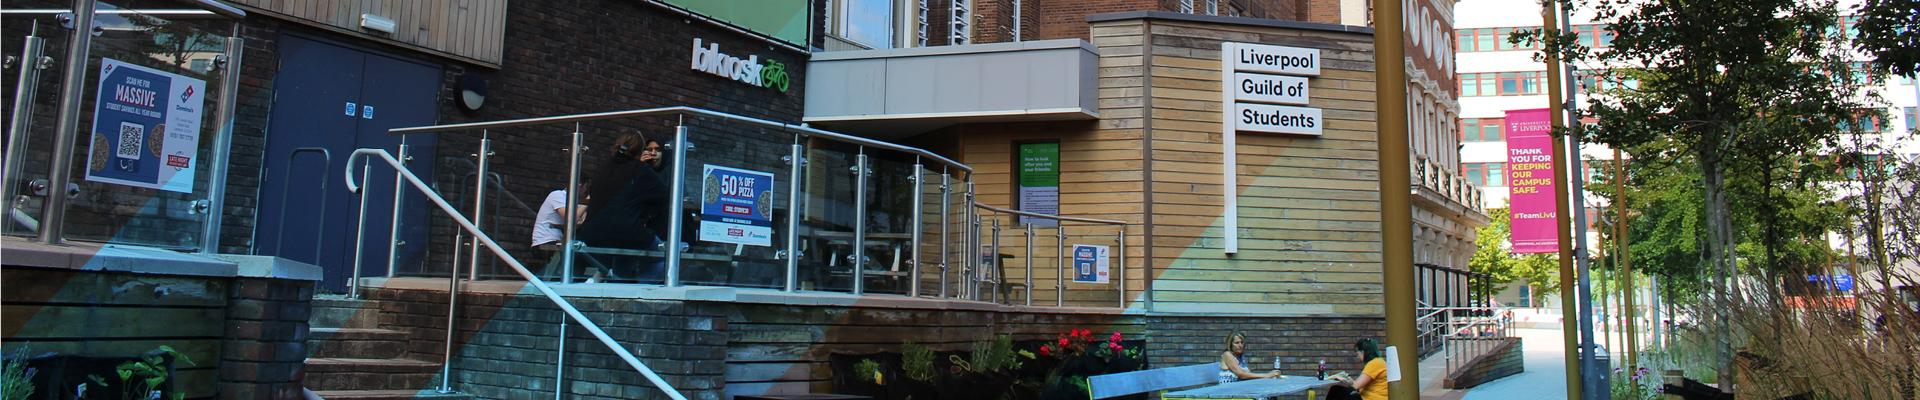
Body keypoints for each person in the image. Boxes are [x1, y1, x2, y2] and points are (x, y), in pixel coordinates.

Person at [575, 131, 672, 282]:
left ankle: (620, 290)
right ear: (641, 151)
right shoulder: (640, 169)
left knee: (624, 255)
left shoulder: (603, 166)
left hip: (592, 231)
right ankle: (640, 293)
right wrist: (644, 167)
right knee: (666, 258)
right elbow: (664, 195)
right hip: (626, 231)